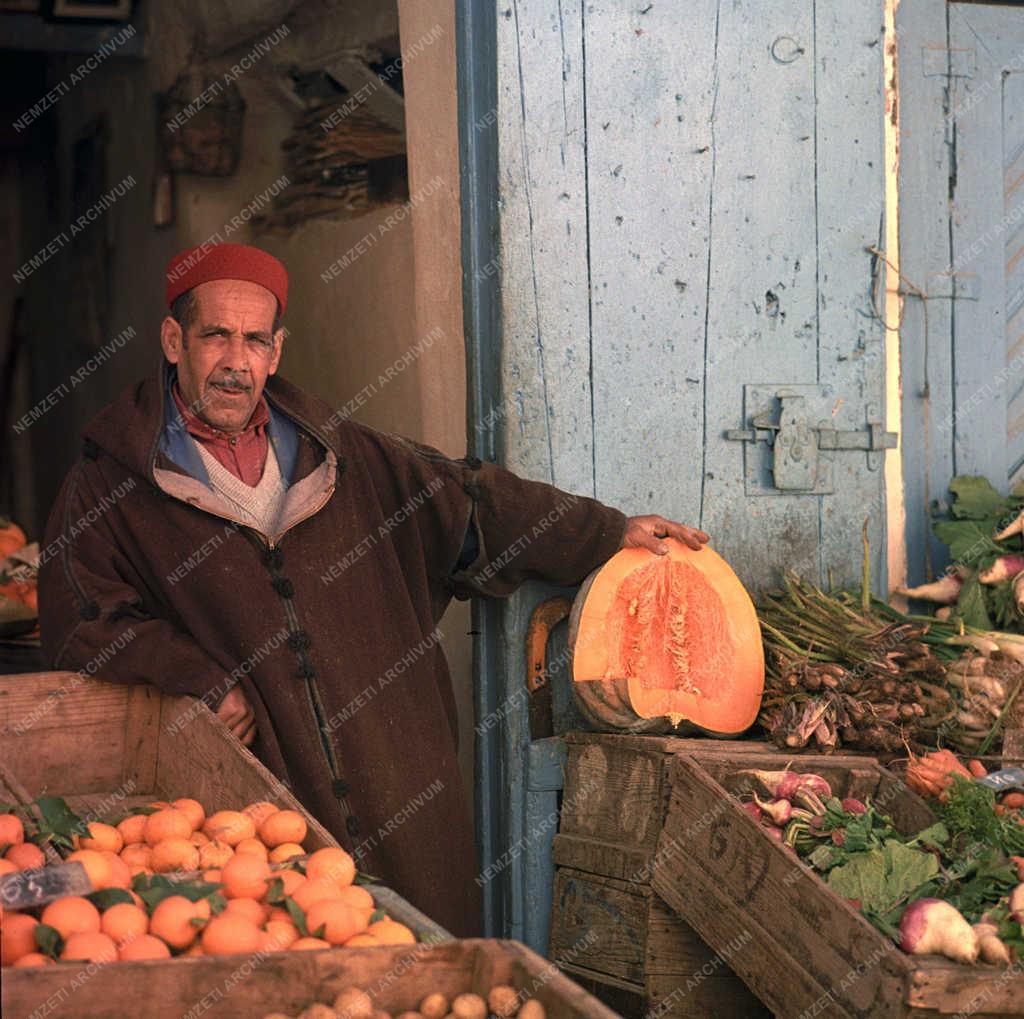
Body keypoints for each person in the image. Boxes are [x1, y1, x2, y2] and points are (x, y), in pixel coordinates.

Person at [38, 243, 708, 935]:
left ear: (276, 350)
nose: (236, 360)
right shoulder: (111, 482)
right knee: (302, 964)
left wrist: (605, 531)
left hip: (400, 787)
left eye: (255, 339)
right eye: (215, 335)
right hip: (257, 806)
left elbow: (473, 501)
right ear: (174, 340)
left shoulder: (348, 456)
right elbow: (80, 619)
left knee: (431, 968)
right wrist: (199, 676)